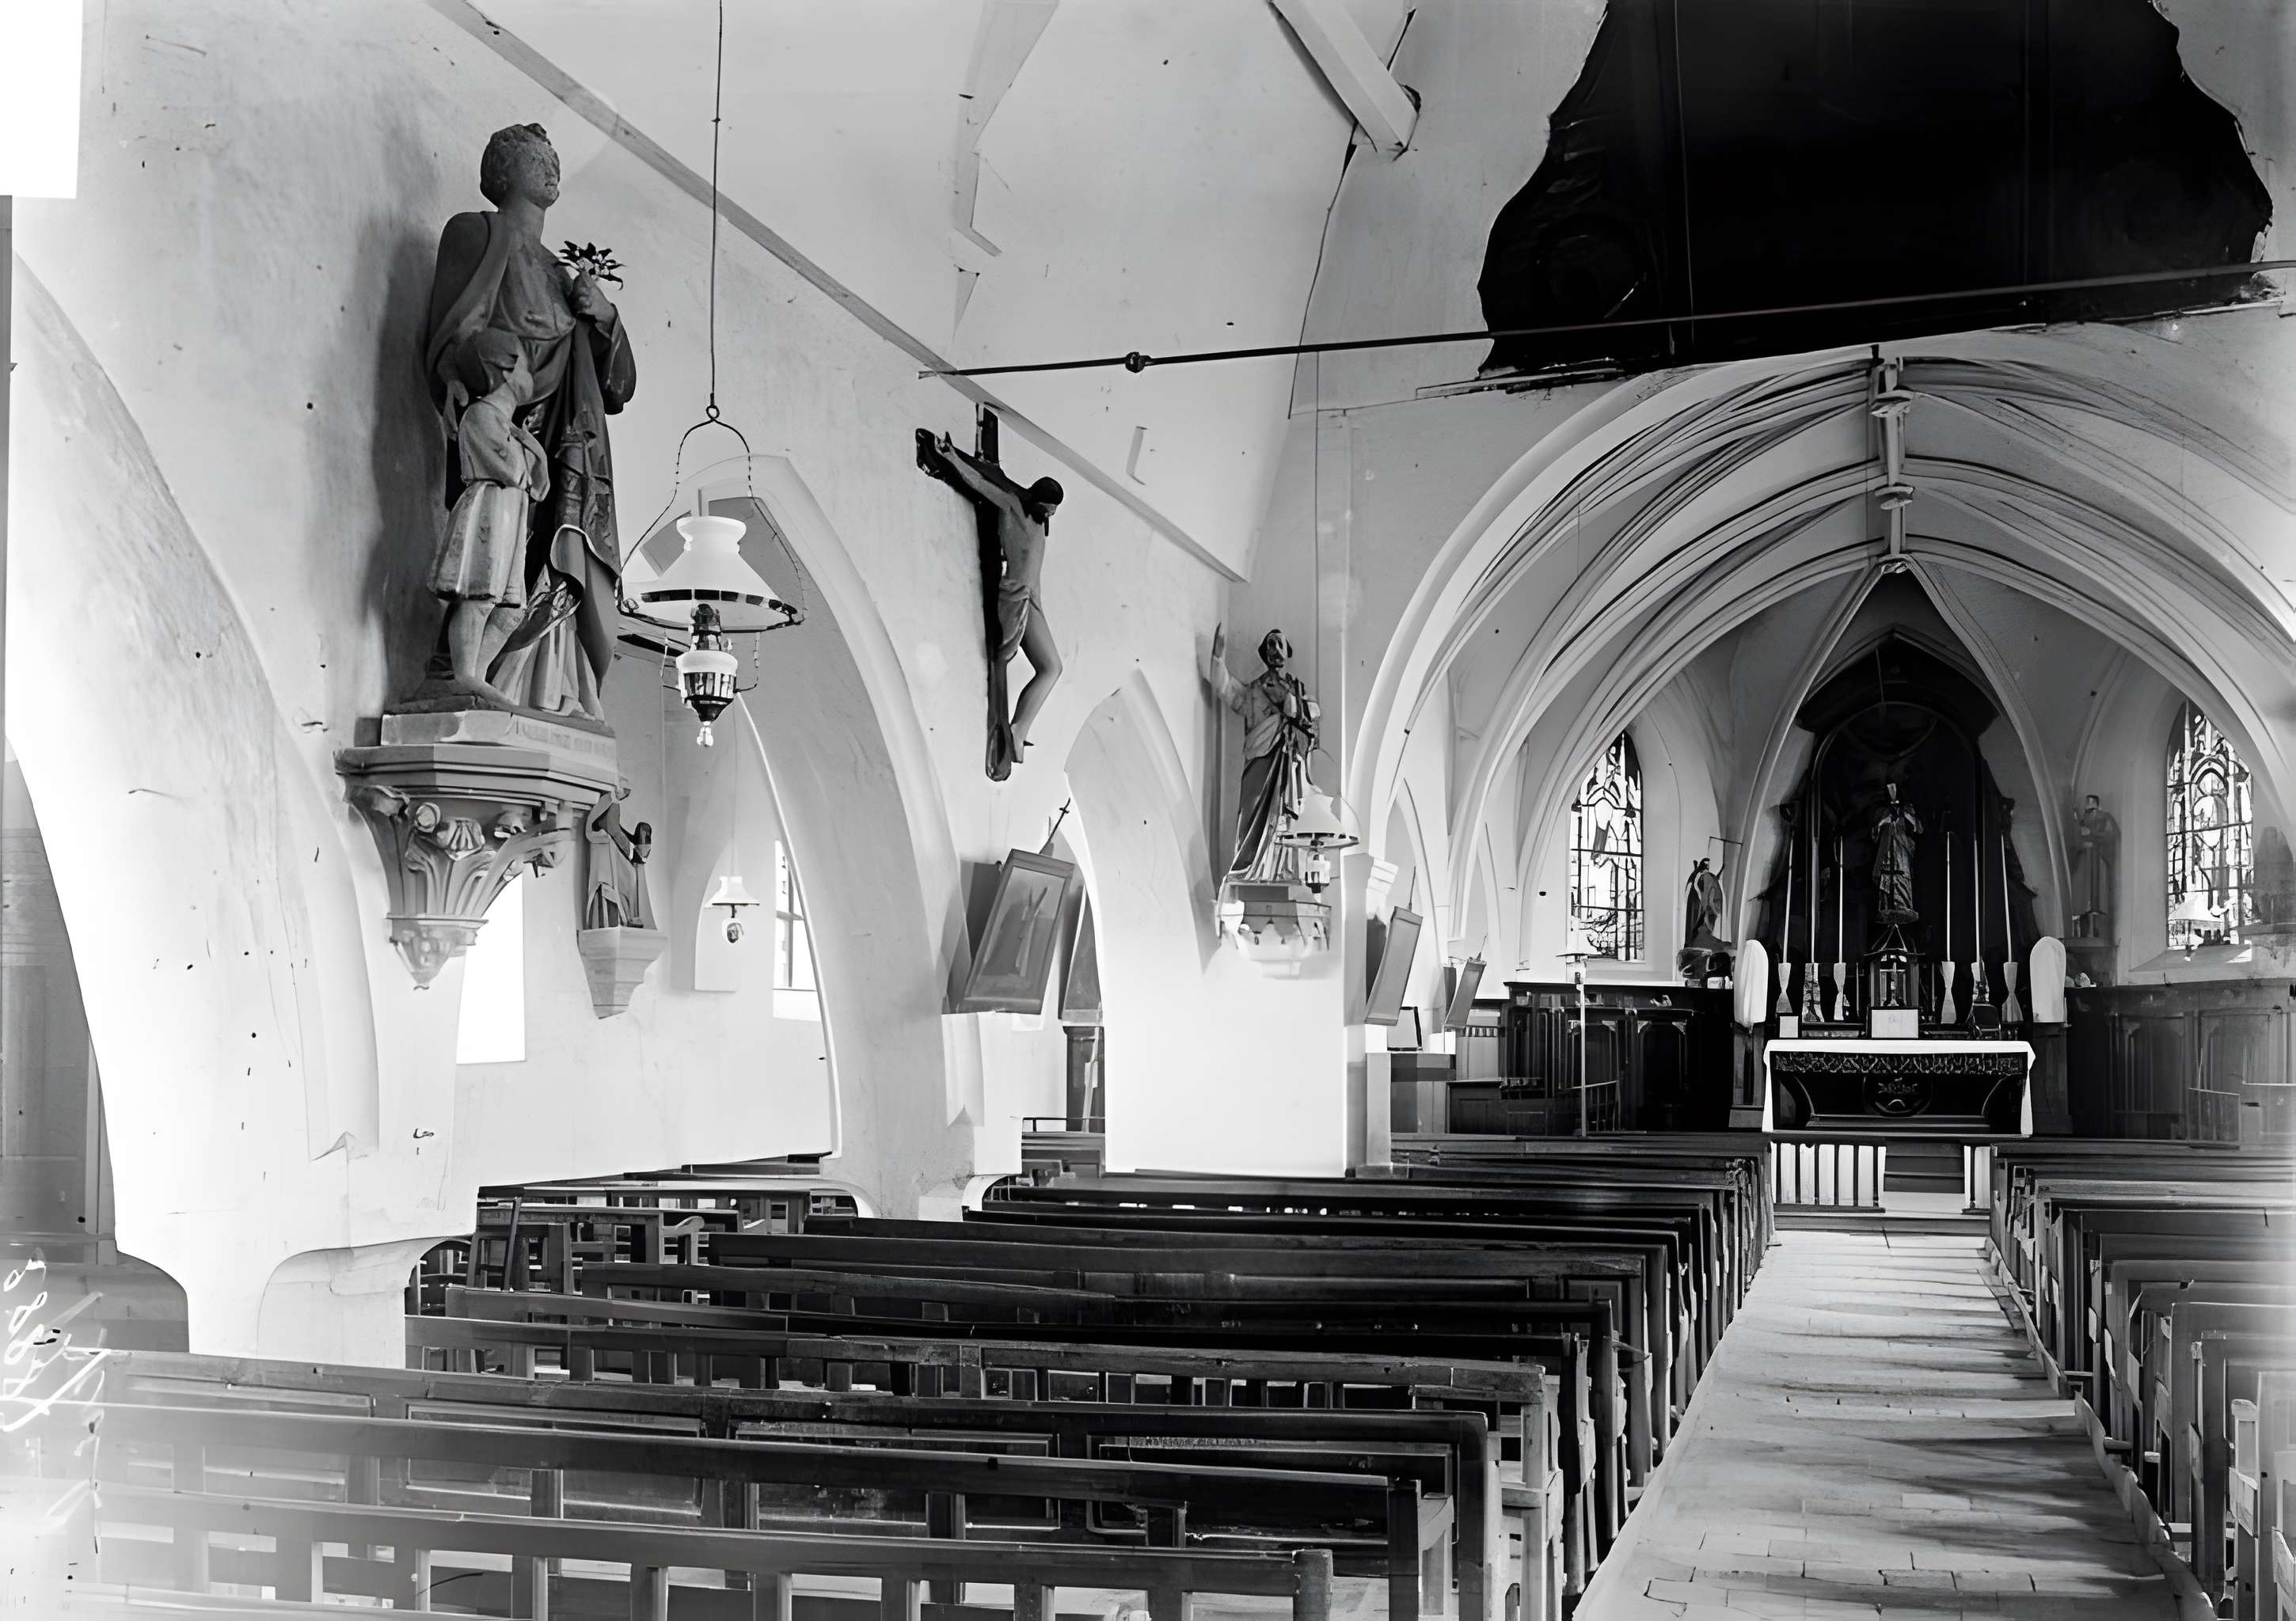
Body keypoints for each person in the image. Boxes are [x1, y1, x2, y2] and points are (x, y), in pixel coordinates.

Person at [423, 123, 637, 724]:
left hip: (560, 445)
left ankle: (521, 684)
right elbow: (451, 336)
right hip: (504, 428)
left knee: (549, 575)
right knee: (488, 570)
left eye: (553, 158)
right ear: (501, 173)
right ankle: (464, 675)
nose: (551, 167)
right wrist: (490, 369)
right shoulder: (476, 233)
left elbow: (616, 388)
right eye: (536, 157)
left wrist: (604, 317)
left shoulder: (564, 280)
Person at [919, 433, 1065, 754]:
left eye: (1053, 511)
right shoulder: (1013, 505)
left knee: (1052, 667)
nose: (1050, 515)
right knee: (1028, 663)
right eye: (1048, 509)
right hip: (1015, 596)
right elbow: (982, 483)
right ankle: (1014, 730)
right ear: (1037, 500)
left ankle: (1019, 728)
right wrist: (952, 458)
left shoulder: (1040, 523)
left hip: (1033, 599)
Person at [429, 347, 548, 701]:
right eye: (525, 366)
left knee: (512, 611)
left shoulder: (509, 426)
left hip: (512, 511)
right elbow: (513, 471)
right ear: (504, 371)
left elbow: (539, 486)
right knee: (480, 594)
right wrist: (529, 451)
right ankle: (465, 674)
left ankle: (476, 678)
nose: (531, 375)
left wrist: (533, 450)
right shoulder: (481, 415)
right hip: (489, 507)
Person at [1208, 626, 1318, 882]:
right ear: (1264, 653)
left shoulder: (1297, 689)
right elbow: (1227, 690)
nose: (1275, 650)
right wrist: (1217, 659)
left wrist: (1289, 701)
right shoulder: (1255, 690)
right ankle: (1248, 869)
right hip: (1259, 756)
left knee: (1284, 814)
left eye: (1280, 644)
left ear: (1287, 652)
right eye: (1271, 645)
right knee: (1252, 809)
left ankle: (1280, 870)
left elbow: (1313, 712)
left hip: (1287, 759)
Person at [1871, 781, 1922, 918]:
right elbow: (1875, 834)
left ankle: (1904, 907)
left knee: (1902, 878)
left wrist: (1903, 816)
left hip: (1902, 851)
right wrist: (1883, 822)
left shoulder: (1907, 810)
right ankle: (1886, 908)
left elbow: (1917, 828)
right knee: (1886, 880)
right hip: (1886, 851)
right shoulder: (1882, 812)